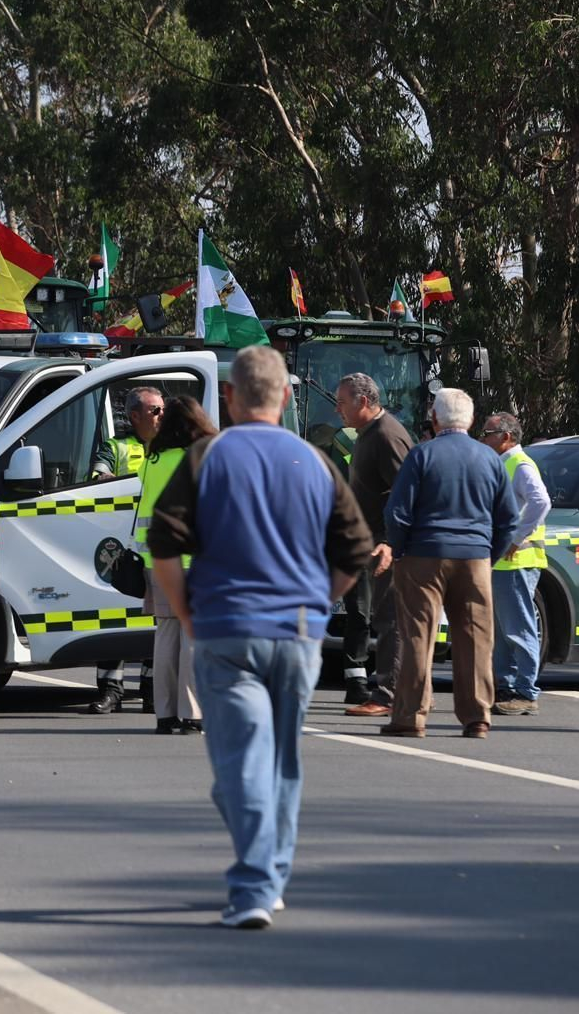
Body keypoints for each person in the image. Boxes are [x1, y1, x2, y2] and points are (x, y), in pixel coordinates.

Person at [147, 346, 372, 928]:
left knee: (240, 764)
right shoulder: (314, 461)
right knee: (278, 764)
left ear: (229, 396)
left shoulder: (206, 456)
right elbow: (355, 552)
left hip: (225, 630)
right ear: (289, 396)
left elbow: (165, 545)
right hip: (296, 633)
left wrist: (184, 611)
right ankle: (269, 872)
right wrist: (318, 602)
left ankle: (254, 886)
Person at [381, 389, 518, 739]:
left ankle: (411, 717)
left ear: (435, 418)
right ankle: (477, 717)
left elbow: (397, 512)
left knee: (418, 636)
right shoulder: (489, 459)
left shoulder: (422, 455)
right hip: (474, 557)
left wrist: (398, 550)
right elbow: (509, 519)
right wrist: (489, 554)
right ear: (471, 421)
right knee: (475, 638)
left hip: (423, 555)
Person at [336, 374, 415, 716]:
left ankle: (388, 694)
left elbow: (408, 493)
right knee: (382, 617)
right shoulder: (367, 435)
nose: (337, 409)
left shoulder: (386, 435)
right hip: (371, 545)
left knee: (390, 619)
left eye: (342, 402)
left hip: (389, 550)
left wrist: (388, 541)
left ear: (363, 402)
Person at [138, 395, 217, 733]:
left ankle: (165, 713)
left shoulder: (151, 460)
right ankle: (192, 713)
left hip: (156, 561)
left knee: (166, 636)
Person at [88, 386, 163, 714]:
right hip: (120, 546)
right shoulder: (117, 446)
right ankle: (111, 690)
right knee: (113, 615)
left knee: (161, 622)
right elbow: (98, 476)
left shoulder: (170, 448)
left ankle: (151, 688)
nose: (162, 415)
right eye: (155, 410)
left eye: (163, 409)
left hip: (158, 546)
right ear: (135, 416)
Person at [479, 412, 551, 715]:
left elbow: (541, 502)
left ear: (506, 437)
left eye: (487, 433)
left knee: (519, 628)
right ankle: (507, 688)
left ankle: (525, 691)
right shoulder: (502, 463)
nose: (482, 438)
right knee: (503, 630)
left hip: (517, 561)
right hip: (502, 562)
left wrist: (515, 538)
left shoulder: (519, 464)